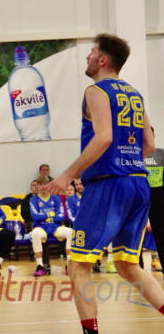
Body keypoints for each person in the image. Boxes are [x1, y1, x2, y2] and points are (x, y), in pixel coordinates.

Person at [47, 34, 164, 334]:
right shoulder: (135, 94)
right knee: (127, 265)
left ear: (102, 59)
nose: (87, 56)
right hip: (138, 183)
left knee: (78, 265)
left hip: (108, 186)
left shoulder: (96, 91)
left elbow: (104, 138)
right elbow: (149, 144)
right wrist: (126, 161)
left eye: (92, 51)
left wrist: (67, 174)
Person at [30, 175, 73, 277]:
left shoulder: (56, 198)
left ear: (50, 185)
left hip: (55, 227)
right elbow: (35, 216)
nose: (43, 186)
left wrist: (44, 216)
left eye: (46, 184)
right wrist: (51, 214)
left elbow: (61, 216)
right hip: (41, 227)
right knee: (35, 233)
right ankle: (40, 266)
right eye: (40, 184)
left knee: (71, 232)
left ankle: (69, 265)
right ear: (37, 186)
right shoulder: (33, 200)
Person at [145, 127, 164, 278]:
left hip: (158, 200)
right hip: (139, 199)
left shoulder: (161, 154)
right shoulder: (133, 156)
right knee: (135, 240)